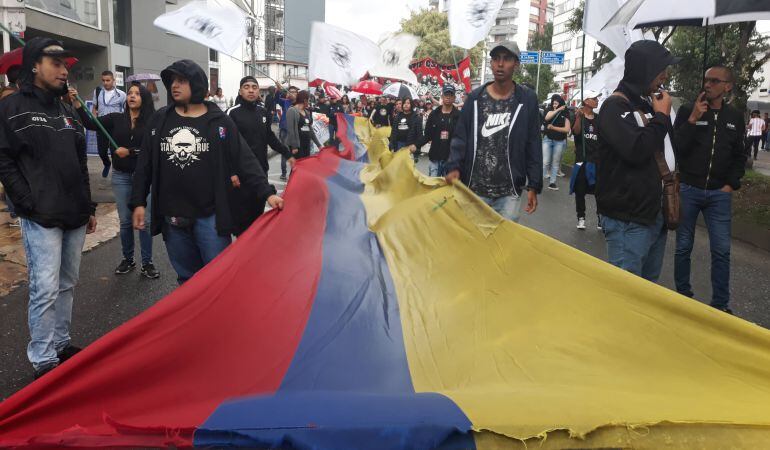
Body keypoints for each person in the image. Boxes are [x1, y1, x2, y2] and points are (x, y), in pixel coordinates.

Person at [130, 60, 283, 284]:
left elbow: (245, 159)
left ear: (196, 83)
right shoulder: (160, 120)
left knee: (218, 279)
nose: (174, 85)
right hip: (173, 216)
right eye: (172, 81)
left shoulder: (219, 121)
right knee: (187, 280)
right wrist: (138, 202)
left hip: (210, 217)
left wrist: (267, 193)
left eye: (182, 80)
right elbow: (144, 163)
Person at [0, 37, 97, 379]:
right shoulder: (12, 107)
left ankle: (60, 343)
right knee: (45, 287)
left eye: (64, 64)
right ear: (34, 66)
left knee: (67, 283)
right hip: (41, 216)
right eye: (55, 63)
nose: (63, 70)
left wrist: (89, 206)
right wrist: (27, 202)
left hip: (74, 213)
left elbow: (80, 162)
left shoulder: (66, 110)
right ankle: (42, 359)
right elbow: (4, 160)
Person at [595, 40, 679, 282]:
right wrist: (661, 116)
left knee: (647, 288)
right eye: (661, 69)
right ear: (645, 69)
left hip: (654, 213)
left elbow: (665, 146)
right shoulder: (614, 107)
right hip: (628, 219)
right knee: (627, 290)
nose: (665, 75)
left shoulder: (648, 103)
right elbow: (636, 149)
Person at [673, 65, 747, 314]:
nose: (708, 85)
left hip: (719, 194)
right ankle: (683, 296)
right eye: (706, 79)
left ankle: (720, 305)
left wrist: (730, 184)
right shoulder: (688, 110)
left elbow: (740, 155)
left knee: (722, 251)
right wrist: (693, 119)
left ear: (727, 86)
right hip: (689, 189)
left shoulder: (735, 117)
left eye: (715, 81)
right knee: (683, 245)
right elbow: (677, 147)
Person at [445, 41, 541, 223]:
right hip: (475, 191)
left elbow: (533, 142)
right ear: (491, 63)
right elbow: (460, 138)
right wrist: (454, 167)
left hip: (509, 193)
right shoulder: (475, 98)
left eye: (506, 59)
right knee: (474, 239)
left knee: (503, 241)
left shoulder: (526, 99)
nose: (500, 64)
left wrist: (534, 185)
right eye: (496, 59)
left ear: (516, 64)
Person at [70, 82, 160, 279]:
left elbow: (154, 148)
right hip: (121, 176)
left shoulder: (153, 122)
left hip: (145, 178)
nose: (132, 96)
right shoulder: (115, 118)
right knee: (126, 221)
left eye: (137, 93)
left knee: (145, 221)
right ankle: (128, 259)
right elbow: (91, 124)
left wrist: (130, 152)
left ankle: (147, 262)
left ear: (144, 99)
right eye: (130, 93)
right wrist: (77, 103)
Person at [227, 76, 295, 174]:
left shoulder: (263, 111)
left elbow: (270, 136)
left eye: (254, 87)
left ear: (258, 91)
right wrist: (231, 172)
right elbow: (225, 145)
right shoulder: (231, 113)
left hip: (261, 168)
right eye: (246, 87)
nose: (251, 90)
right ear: (240, 91)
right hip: (241, 171)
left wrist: (287, 154)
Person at [570, 91, 601, 230]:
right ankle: (581, 217)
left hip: (596, 160)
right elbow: (576, 132)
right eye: (594, 98)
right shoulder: (578, 116)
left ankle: (600, 218)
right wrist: (578, 117)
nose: (597, 100)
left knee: (599, 191)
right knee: (580, 190)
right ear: (586, 101)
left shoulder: (599, 118)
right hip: (581, 160)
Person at [418, 84, 460, 177]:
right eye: (446, 94)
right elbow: (427, 135)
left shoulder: (459, 116)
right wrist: (415, 145)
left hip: (451, 160)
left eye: (451, 95)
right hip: (435, 158)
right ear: (442, 96)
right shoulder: (434, 114)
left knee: (448, 186)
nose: (448, 97)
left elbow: (461, 139)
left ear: (454, 98)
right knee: (433, 185)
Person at [92, 70, 127, 178]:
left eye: (108, 80)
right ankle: (107, 164)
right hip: (101, 125)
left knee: (114, 150)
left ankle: (116, 171)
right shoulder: (98, 91)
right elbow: (94, 108)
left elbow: (127, 111)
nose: (105, 83)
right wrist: (94, 119)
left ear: (113, 80)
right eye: (103, 80)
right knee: (101, 151)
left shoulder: (121, 94)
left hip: (115, 126)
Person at [542, 94, 571, 190]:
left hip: (559, 141)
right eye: (553, 103)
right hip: (547, 139)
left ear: (561, 103)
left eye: (557, 104)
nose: (554, 105)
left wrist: (554, 127)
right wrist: (558, 110)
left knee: (555, 162)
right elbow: (547, 118)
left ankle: (552, 182)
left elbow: (567, 129)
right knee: (545, 161)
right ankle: (538, 181)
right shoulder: (549, 109)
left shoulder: (566, 113)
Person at [286, 90, 322, 161]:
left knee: (306, 164)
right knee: (298, 166)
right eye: (309, 100)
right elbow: (291, 130)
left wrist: (319, 145)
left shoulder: (306, 112)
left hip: (306, 143)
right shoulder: (292, 110)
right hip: (297, 145)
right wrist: (294, 147)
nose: (309, 102)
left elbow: (310, 130)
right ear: (305, 100)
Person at [276, 85, 299, 180]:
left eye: (294, 92)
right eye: (290, 92)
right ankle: (284, 173)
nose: (292, 93)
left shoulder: (299, 103)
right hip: (285, 130)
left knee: (296, 153)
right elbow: (277, 99)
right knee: (284, 152)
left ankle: (295, 173)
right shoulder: (285, 102)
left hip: (296, 131)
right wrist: (278, 89)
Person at [391, 98, 423, 163]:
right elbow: (393, 131)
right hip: (398, 144)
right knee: (398, 165)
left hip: (410, 145)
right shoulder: (397, 116)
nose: (406, 105)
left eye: (408, 103)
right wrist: (392, 145)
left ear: (411, 105)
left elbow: (420, 134)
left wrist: (416, 147)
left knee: (408, 166)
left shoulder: (417, 117)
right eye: (404, 103)